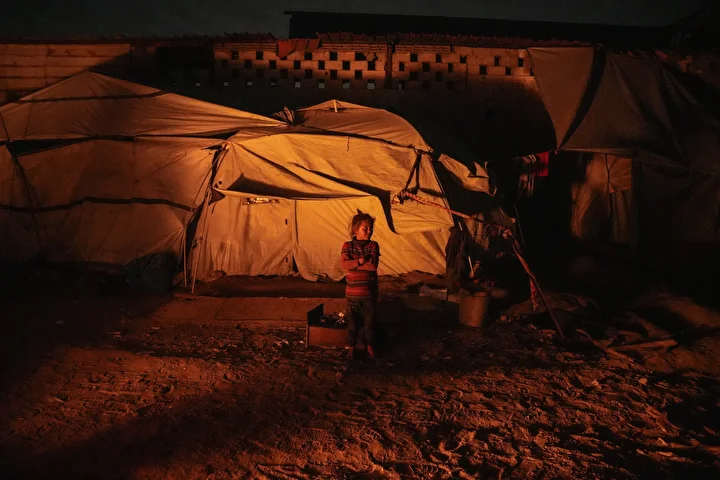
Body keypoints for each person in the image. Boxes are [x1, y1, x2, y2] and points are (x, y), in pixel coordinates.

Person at [340, 211, 380, 361]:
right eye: (365, 228)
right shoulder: (347, 245)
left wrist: (354, 264)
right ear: (355, 230)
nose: (369, 231)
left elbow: (373, 267)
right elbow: (344, 265)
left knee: (369, 322)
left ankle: (369, 347)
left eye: (370, 228)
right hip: (352, 293)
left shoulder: (373, 245)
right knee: (352, 323)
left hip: (369, 293)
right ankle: (351, 348)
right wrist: (361, 261)